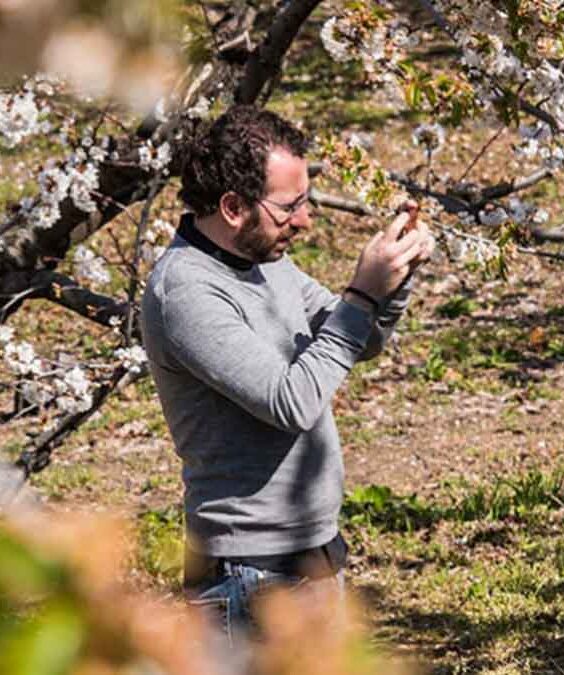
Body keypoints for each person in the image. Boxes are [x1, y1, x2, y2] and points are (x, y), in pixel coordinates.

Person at [140, 105, 433, 643]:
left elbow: (358, 338)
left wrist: (396, 276)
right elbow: (290, 402)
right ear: (232, 207)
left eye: (305, 201)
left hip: (312, 554)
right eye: (289, 207)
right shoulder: (186, 292)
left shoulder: (264, 261)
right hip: (249, 576)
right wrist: (364, 291)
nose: (305, 220)